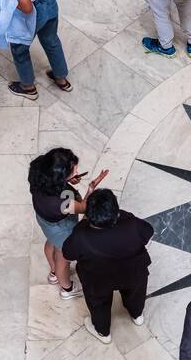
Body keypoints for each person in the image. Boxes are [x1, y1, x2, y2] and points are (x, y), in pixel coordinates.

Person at [61, 188, 154, 344]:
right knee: (136, 293)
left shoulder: (81, 234)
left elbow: (67, 254)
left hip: (97, 281)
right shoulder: (129, 221)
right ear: (116, 213)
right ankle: (136, 314)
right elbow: (148, 233)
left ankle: (103, 331)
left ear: (89, 215)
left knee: (98, 303)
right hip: (133, 273)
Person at [27, 147, 108, 301]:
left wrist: (67, 180)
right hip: (62, 228)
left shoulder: (38, 169)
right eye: (73, 171)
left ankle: (53, 273)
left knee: (51, 242)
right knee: (63, 258)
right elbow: (84, 207)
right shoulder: (62, 203)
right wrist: (91, 187)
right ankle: (66, 288)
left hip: (45, 221)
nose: (77, 172)